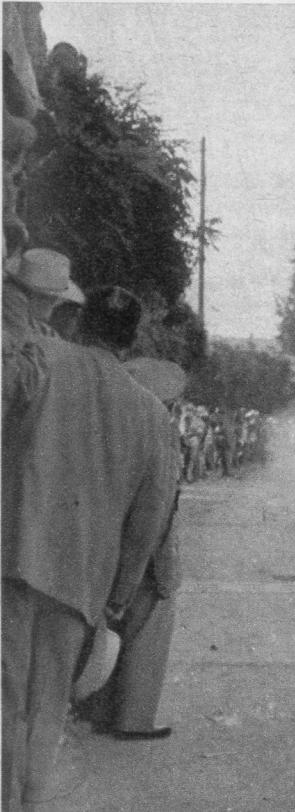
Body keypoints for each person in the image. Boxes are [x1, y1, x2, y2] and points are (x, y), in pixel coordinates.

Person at [2, 285, 180, 807]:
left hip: (11, 559)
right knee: (47, 707)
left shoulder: (40, 362)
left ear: (80, 324)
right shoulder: (153, 415)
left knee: (4, 699)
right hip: (80, 586)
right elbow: (149, 521)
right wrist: (118, 600)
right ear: (129, 344)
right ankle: (28, 803)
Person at [74, 356, 188, 741]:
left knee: (108, 632)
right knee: (147, 638)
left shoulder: (112, 430)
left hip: (108, 551)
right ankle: (134, 719)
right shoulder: (161, 433)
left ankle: (99, 711)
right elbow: (156, 509)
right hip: (150, 560)